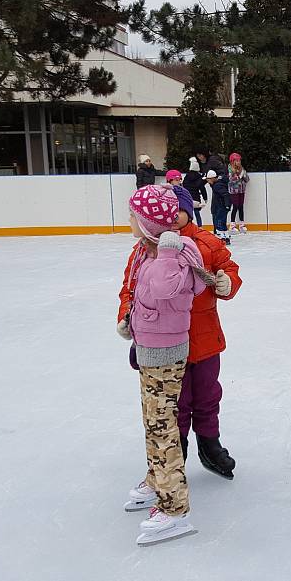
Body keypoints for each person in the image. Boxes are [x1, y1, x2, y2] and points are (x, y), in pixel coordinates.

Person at [118, 186, 243, 492]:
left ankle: (209, 444)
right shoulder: (145, 249)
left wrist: (227, 283)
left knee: (208, 396)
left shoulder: (204, 242)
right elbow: (130, 288)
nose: (171, 218)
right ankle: (178, 451)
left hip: (205, 340)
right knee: (176, 403)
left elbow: (228, 268)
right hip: (167, 346)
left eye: (178, 212)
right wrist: (125, 315)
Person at [119, 183, 213, 545]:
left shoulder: (175, 252)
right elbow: (141, 294)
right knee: (152, 423)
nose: (128, 220)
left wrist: (169, 252)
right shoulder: (149, 250)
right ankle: (157, 481)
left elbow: (163, 290)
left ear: (147, 224)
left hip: (166, 354)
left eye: (133, 216)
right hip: (149, 349)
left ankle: (175, 510)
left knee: (163, 430)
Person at [206, 169, 232, 245]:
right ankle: (226, 237)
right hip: (221, 206)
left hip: (222, 207)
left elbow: (225, 194)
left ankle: (222, 238)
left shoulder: (217, 186)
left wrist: (227, 205)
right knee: (222, 223)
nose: (208, 182)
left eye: (208, 180)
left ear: (212, 179)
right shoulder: (217, 184)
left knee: (219, 222)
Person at [227, 153, 249, 234]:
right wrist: (239, 176)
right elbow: (231, 181)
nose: (238, 162)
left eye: (239, 160)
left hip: (241, 190)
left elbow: (247, 179)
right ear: (232, 161)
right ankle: (232, 225)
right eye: (236, 160)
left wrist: (243, 174)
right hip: (234, 191)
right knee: (235, 206)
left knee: (241, 207)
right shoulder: (230, 169)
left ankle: (241, 225)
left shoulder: (241, 169)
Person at [184, 157, 208, 227]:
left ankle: (188, 226)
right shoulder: (199, 177)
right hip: (196, 197)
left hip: (187, 198)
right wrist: (205, 198)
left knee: (189, 213)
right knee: (197, 213)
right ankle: (200, 227)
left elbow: (184, 187)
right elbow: (202, 188)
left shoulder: (187, 176)